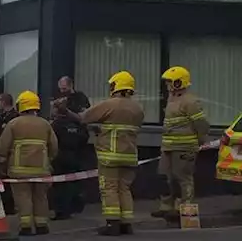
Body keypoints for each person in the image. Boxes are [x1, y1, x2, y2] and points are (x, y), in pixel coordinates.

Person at [73, 71, 145, 236]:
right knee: (124, 189)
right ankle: (127, 224)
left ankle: (112, 224)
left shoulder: (110, 104)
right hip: (130, 156)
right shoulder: (138, 108)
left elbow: (84, 117)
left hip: (110, 156)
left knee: (109, 188)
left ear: (115, 86)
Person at [0, 90, 58, 236]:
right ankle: (41, 225)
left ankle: (25, 226)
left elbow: (3, 146)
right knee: (40, 197)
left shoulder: (13, 124)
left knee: (22, 197)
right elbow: (54, 146)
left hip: (19, 171)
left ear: (20, 106)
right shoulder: (45, 124)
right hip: (41, 170)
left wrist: (2, 163)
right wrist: (48, 160)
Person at [154, 67, 208, 225]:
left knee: (183, 179)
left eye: (169, 82)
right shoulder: (172, 99)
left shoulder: (190, 101)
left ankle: (187, 214)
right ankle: (167, 208)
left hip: (185, 148)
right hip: (168, 147)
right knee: (165, 177)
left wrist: (198, 140)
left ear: (178, 82)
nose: (167, 85)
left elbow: (202, 124)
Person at [0, 93, 19, 214]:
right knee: (2, 179)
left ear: (3, 102)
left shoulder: (13, 117)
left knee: (8, 180)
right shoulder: (2, 116)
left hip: (10, 153)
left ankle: (9, 206)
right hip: (1, 151)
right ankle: (5, 205)